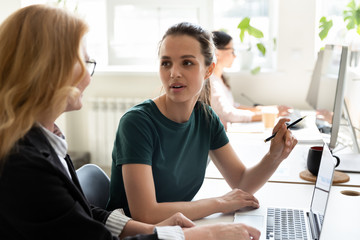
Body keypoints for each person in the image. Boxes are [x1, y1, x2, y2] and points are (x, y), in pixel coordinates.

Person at [0, 5, 261, 240]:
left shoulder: (43, 142)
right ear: (47, 69)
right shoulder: (25, 164)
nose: (89, 78)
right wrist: (203, 236)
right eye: (84, 62)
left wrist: (156, 231)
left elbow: (82, 213)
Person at [107, 22, 297, 225]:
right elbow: (145, 213)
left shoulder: (206, 118)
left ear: (208, 70)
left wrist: (274, 156)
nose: (174, 73)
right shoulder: (137, 123)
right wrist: (220, 202)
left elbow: (241, 183)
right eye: (166, 63)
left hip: (178, 229)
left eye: (187, 63)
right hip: (139, 234)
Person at [210, 30, 290, 127]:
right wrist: (271, 114)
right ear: (217, 53)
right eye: (232, 51)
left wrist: (270, 108)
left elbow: (233, 106)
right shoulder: (211, 82)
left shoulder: (220, 79)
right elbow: (229, 114)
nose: (235, 56)